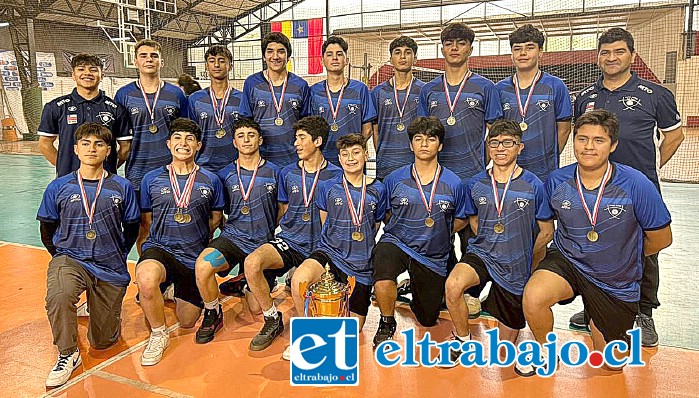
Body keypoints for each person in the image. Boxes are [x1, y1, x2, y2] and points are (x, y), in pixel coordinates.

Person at [523, 109, 672, 373]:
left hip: (615, 278)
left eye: (598, 140)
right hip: (569, 261)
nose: (588, 146)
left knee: (612, 365)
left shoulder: (636, 184)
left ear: (613, 145)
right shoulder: (557, 181)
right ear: (574, 141)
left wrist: (624, 256)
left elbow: (661, 238)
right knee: (533, 297)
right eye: (582, 139)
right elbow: (545, 226)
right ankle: (546, 351)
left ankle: (600, 321)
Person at [570, 28, 684, 346]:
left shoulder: (655, 94)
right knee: (594, 248)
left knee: (644, 250)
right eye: (605, 52)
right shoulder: (585, 98)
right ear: (597, 57)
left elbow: (674, 136)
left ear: (631, 55)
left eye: (619, 51)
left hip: (637, 190)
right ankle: (596, 306)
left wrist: (648, 172)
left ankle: (644, 312)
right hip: (594, 191)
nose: (611, 58)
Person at [441, 120, 554, 376]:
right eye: (494, 142)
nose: (500, 148)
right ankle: (461, 340)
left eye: (508, 143)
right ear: (488, 147)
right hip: (483, 253)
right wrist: (492, 240)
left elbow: (547, 231)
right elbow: (474, 220)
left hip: (515, 263)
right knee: (453, 286)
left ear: (519, 147)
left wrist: (526, 255)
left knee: (504, 349)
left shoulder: (534, 185)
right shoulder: (476, 183)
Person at [38, 123, 140, 387]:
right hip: (70, 258)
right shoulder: (59, 187)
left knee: (103, 342)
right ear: (75, 149)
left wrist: (116, 253)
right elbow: (47, 228)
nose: (91, 149)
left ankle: (100, 309)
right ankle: (68, 353)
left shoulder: (122, 186)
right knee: (59, 294)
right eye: (85, 143)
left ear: (108, 151)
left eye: (98, 144)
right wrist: (60, 257)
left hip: (109, 265)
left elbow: (131, 228)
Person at [418, 22, 502, 315]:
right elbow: (422, 132)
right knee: (438, 234)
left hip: (472, 177)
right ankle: (444, 284)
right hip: (438, 179)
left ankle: (471, 291)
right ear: (442, 49)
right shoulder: (429, 90)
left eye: (461, 43)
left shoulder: (485, 87)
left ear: (470, 48)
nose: (454, 48)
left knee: (473, 238)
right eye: (449, 43)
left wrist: (488, 167)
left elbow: (494, 130)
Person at [244, 116, 342, 352]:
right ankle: (272, 318)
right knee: (252, 263)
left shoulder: (337, 175)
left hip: (322, 248)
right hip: (291, 240)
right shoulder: (287, 173)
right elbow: (283, 209)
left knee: (303, 283)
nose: (296, 143)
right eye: (295, 138)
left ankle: (308, 335)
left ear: (317, 141)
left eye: (301, 138)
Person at [285, 133, 387, 359]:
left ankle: (327, 335)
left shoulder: (379, 190)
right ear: (339, 159)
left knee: (349, 334)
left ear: (366, 154)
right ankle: (306, 338)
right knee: (299, 279)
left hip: (361, 266)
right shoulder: (328, 187)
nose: (351, 158)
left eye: (356, 152)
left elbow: (376, 224)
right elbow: (325, 220)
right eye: (345, 154)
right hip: (330, 253)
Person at [372, 116, 469, 348]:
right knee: (383, 265)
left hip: (431, 254)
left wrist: (438, 231)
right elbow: (385, 213)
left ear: (440, 145)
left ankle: (415, 284)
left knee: (427, 319)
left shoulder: (455, 183)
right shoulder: (394, 179)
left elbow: (462, 219)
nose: (424, 144)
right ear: (410, 145)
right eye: (418, 139)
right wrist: (407, 226)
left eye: (431, 139)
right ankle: (386, 321)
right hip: (398, 242)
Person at [135, 118, 224, 366]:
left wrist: (195, 235)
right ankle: (158, 334)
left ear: (198, 146)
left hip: (192, 257)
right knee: (146, 278)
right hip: (161, 249)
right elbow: (146, 222)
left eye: (189, 139)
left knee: (187, 320)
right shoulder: (151, 179)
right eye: (177, 138)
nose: (182, 143)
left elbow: (216, 218)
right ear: (168, 143)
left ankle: (169, 287)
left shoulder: (211, 180)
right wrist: (144, 259)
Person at [193, 117, 282, 344]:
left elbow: (282, 207)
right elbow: (219, 210)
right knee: (203, 266)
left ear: (260, 140)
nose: (246, 140)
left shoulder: (275, 172)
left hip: (262, 243)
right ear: (234, 142)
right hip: (233, 238)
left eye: (251, 135)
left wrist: (270, 226)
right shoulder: (224, 174)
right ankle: (213, 312)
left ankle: (243, 280)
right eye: (241, 136)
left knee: (255, 308)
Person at [115, 39, 188, 255]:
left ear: (161, 61)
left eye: (154, 55)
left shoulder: (176, 94)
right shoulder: (124, 95)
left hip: (172, 172)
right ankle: (147, 270)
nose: (149, 59)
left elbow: (185, 131)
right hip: (137, 173)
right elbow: (120, 137)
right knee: (143, 227)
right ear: (135, 62)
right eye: (144, 56)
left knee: (175, 225)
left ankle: (173, 276)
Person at [495, 24, 573, 183]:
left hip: (545, 171)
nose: (523, 53)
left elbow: (564, 128)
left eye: (529, 48)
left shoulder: (556, 86)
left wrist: (549, 155)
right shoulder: (499, 89)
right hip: (508, 169)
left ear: (540, 52)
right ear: (512, 54)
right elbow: (496, 129)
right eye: (517, 49)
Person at [38, 53, 132, 177]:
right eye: (81, 69)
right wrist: (64, 168)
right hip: (68, 180)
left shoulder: (116, 109)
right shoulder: (55, 107)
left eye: (93, 70)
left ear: (102, 75)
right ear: (73, 75)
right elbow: (45, 144)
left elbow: (125, 148)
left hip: (105, 180)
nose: (87, 73)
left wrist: (107, 168)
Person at [239, 32, 310, 168]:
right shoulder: (252, 83)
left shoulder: (301, 85)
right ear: (264, 56)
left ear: (288, 56)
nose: (275, 57)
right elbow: (246, 121)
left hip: (294, 159)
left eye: (281, 52)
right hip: (260, 160)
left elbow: (305, 124)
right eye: (270, 51)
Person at [305, 36, 377, 166]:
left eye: (339, 54)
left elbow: (368, 129)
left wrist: (352, 151)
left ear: (346, 60)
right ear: (322, 61)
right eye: (329, 54)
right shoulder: (314, 91)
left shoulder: (360, 89)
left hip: (352, 162)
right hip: (323, 160)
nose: (334, 58)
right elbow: (310, 129)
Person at [370, 36, 425, 180]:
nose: (402, 56)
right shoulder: (378, 92)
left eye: (407, 52)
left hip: (417, 165)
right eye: (397, 52)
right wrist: (383, 153)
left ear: (415, 59)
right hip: (385, 165)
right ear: (390, 59)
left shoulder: (425, 91)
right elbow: (375, 130)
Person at [188, 45, 243, 173]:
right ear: (206, 66)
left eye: (222, 60)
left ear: (231, 66)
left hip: (235, 166)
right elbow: (191, 134)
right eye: (212, 61)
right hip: (203, 165)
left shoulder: (242, 99)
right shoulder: (195, 99)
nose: (216, 65)